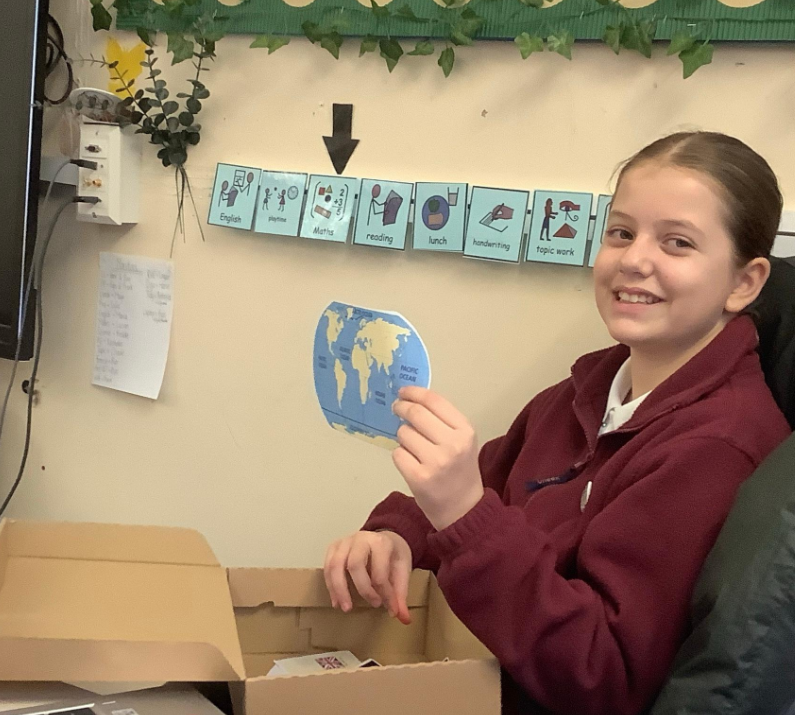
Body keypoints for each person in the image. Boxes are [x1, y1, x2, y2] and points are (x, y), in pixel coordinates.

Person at [323, 132, 792, 715]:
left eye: (677, 242)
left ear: (744, 283)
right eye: (621, 232)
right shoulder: (582, 393)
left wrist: (464, 515)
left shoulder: (717, 447)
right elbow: (476, 493)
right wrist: (395, 535)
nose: (635, 259)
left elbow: (604, 676)